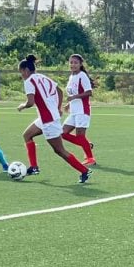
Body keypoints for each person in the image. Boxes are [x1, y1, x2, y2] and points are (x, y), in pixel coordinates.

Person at [16, 55, 91, 183]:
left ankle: (84, 171)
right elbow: (59, 91)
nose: (21, 75)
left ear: (26, 70)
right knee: (27, 135)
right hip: (46, 117)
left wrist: (22, 106)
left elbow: (30, 102)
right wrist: (58, 107)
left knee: (59, 150)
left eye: (21, 72)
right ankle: (34, 167)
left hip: (48, 121)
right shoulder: (42, 77)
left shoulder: (28, 81)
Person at [61, 54, 96, 166]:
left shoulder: (82, 76)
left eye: (75, 63)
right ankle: (85, 144)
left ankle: (90, 158)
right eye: (71, 62)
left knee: (80, 136)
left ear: (80, 64)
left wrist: (74, 98)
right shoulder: (71, 77)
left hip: (82, 111)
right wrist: (69, 104)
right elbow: (73, 93)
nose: (73, 65)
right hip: (74, 111)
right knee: (63, 133)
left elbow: (89, 92)